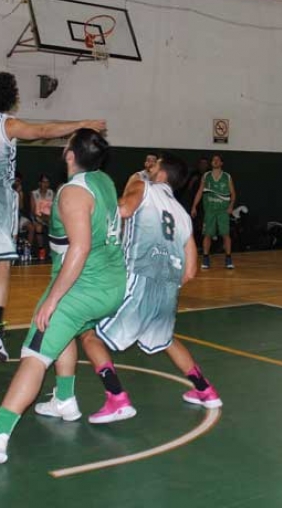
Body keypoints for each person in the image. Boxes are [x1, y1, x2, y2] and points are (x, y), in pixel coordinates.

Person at [0, 6, 106, 363]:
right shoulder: (8, 126)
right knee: (3, 267)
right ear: (11, 100)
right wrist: (82, 122)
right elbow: (44, 131)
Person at [0, 129, 126, 463]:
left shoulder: (72, 193)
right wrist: (49, 216)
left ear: (70, 155)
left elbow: (80, 247)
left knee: (34, 353)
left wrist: (53, 299)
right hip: (110, 282)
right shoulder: (102, 181)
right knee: (69, 332)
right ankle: (65, 400)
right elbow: (90, 225)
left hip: (81, 286)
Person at [36, 152, 222, 425]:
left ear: (161, 174)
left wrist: (68, 208)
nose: (148, 167)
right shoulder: (183, 214)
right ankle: (205, 390)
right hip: (168, 290)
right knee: (166, 338)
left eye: (153, 164)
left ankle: (117, 399)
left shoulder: (142, 185)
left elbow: (121, 210)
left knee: (89, 333)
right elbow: (191, 270)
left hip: (138, 281)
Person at [191, 154, 236, 270]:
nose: (215, 161)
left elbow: (233, 193)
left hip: (223, 210)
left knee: (225, 234)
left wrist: (231, 205)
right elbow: (200, 192)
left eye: (217, 160)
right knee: (207, 234)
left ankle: (228, 258)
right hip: (209, 210)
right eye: (213, 160)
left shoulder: (227, 177)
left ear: (221, 163)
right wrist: (194, 206)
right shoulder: (206, 176)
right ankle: (206, 258)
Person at [31, 174, 55, 257]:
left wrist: (48, 218)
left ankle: (53, 250)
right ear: (39, 183)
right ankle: (41, 249)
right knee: (38, 227)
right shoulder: (34, 193)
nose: (45, 184)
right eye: (43, 182)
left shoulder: (51, 193)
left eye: (47, 182)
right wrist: (40, 218)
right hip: (37, 217)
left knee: (55, 225)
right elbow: (33, 210)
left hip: (49, 217)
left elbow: (54, 209)